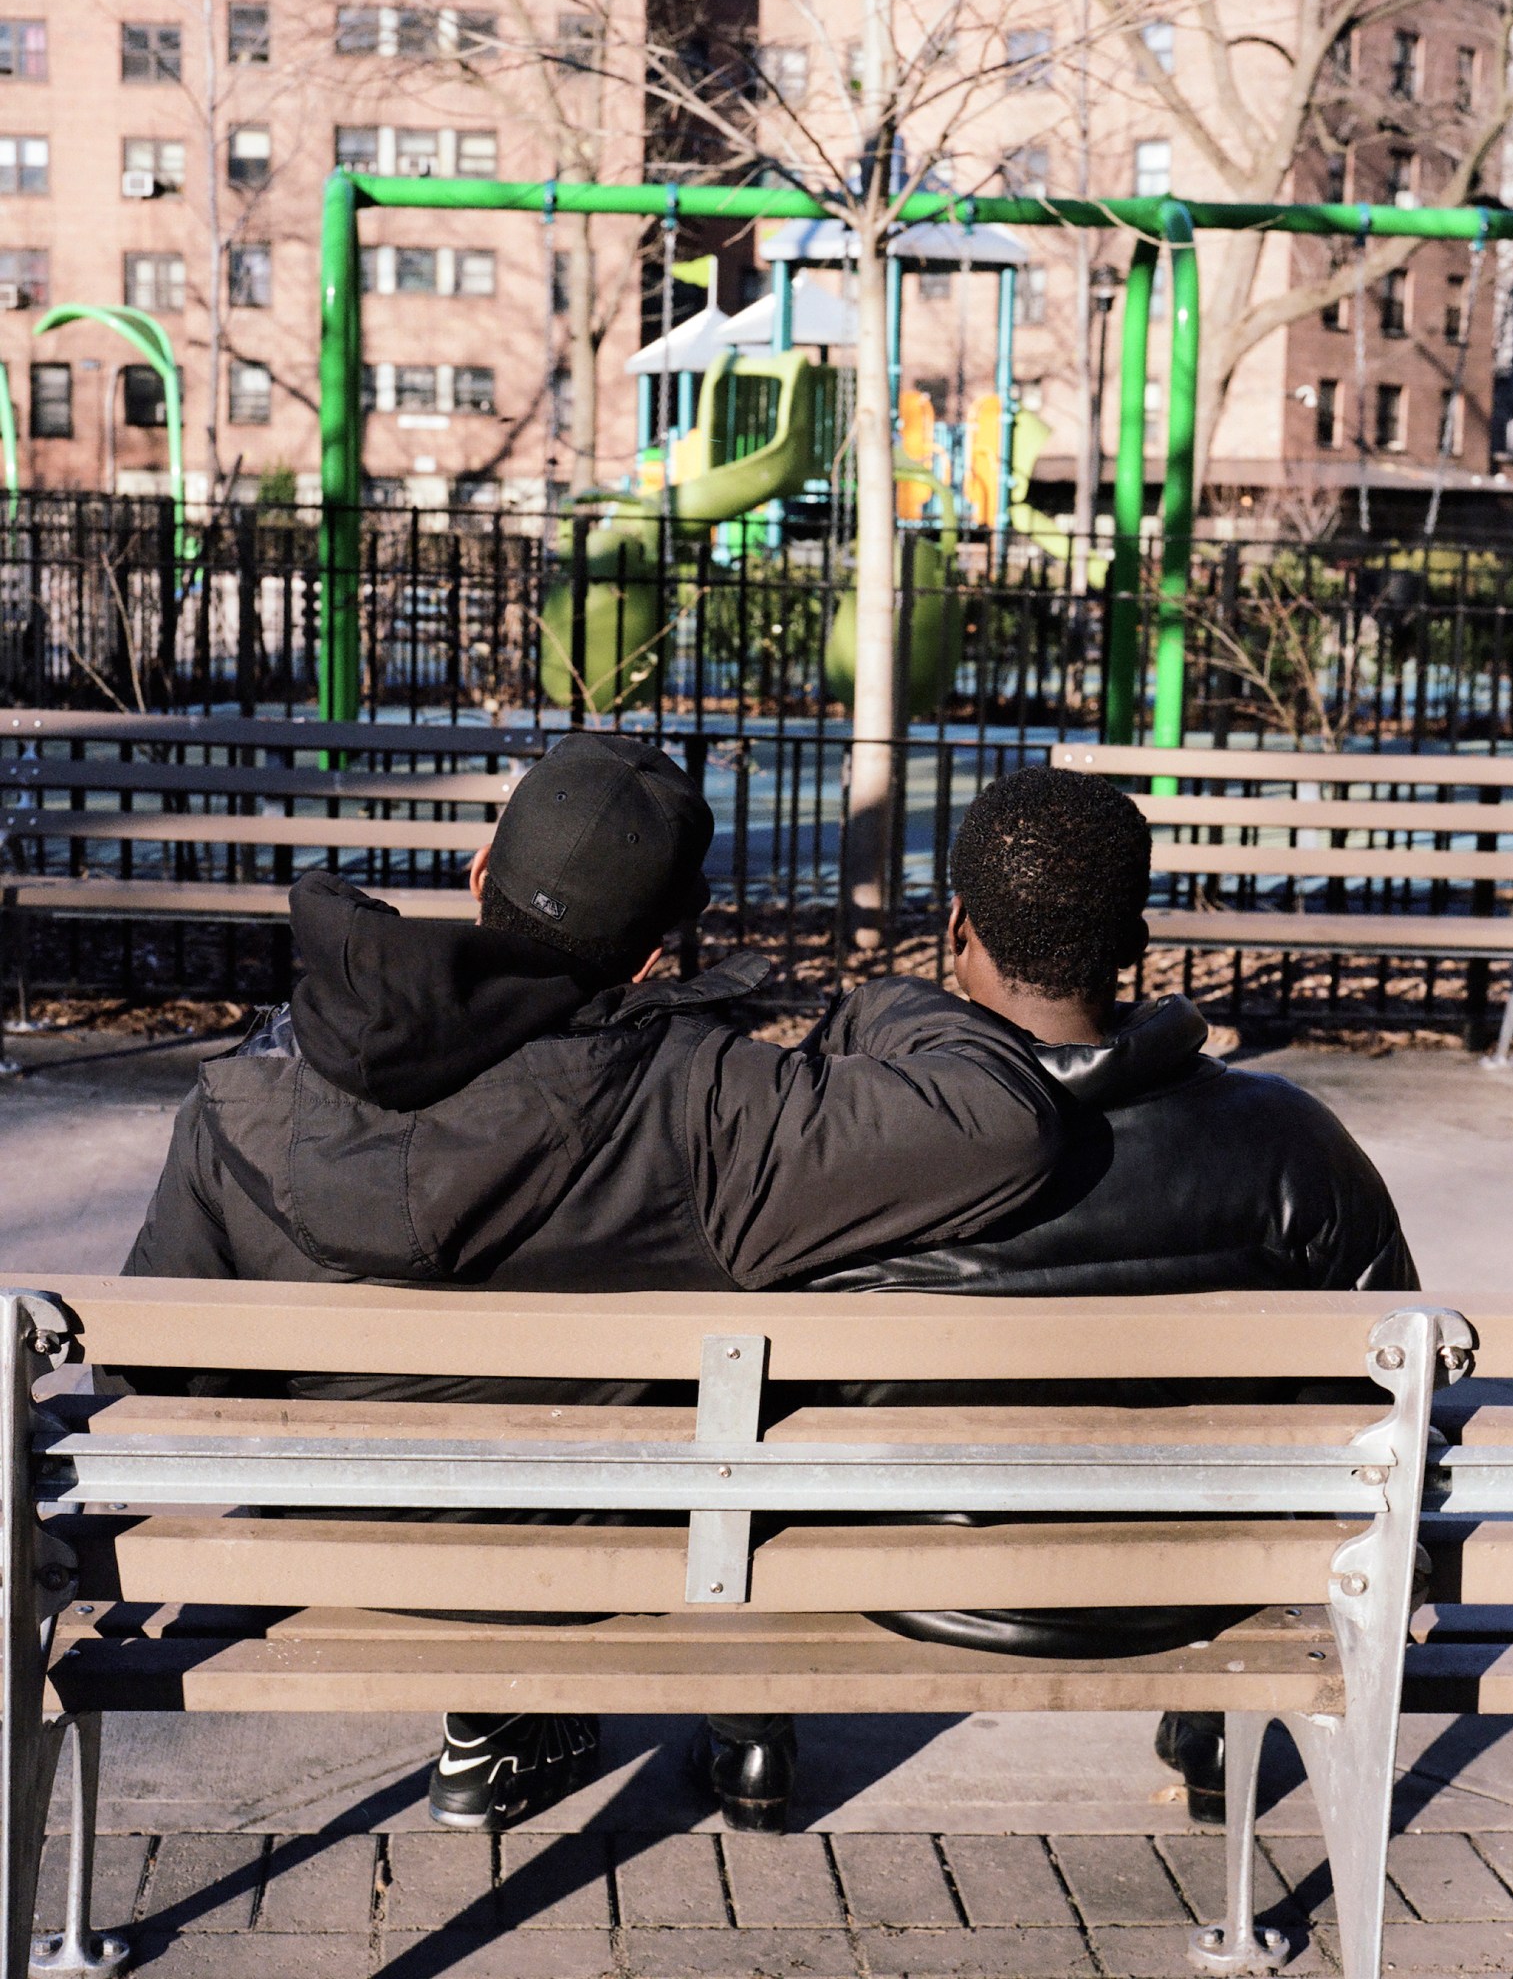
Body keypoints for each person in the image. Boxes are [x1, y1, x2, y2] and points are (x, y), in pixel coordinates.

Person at [121, 732, 1065, 1835]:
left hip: (334, 1545)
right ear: (657, 953)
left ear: (479, 876)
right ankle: (742, 1699)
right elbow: (1004, 1123)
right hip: (609, 1555)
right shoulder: (711, 1105)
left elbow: (158, 1367)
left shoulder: (251, 1089)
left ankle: (504, 1723)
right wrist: (877, 1007)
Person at [814, 762, 1418, 1824]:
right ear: (1134, 942)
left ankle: (749, 1746)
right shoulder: (1285, 1138)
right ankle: (1206, 1714)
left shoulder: (851, 1134)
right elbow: (1389, 1390)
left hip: (906, 1577)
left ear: (956, 925)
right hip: (1199, 1585)